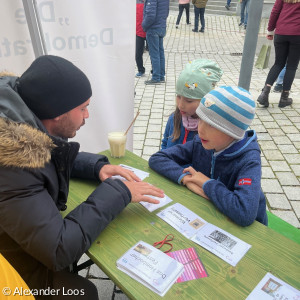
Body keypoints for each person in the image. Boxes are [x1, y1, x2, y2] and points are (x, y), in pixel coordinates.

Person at [0, 55, 164, 298]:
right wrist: (121, 191)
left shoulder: (21, 120)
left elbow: (44, 153)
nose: (86, 115)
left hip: (21, 246)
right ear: (56, 113)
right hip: (14, 273)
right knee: (83, 292)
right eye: (83, 108)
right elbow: (59, 249)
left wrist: (96, 167)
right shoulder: (12, 167)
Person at [149, 86, 268, 227]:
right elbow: (157, 159)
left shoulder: (248, 160)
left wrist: (206, 183)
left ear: (233, 131)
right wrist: (187, 179)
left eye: (211, 125)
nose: (200, 129)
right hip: (209, 213)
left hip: (248, 232)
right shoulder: (200, 142)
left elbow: (245, 213)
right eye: (200, 119)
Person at [161, 59, 223, 149]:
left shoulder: (212, 128)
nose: (180, 105)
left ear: (205, 100)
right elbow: (165, 143)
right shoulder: (174, 118)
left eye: (189, 100)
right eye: (178, 96)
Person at [257, 0, 300, 108]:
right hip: (297, 34)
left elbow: (275, 11)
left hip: (281, 32)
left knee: (278, 63)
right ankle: (284, 98)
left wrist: (270, 30)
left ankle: (264, 93)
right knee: (291, 66)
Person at [142, 0, 170, 85]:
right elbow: (167, 11)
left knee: (154, 54)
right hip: (161, 27)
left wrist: (144, 25)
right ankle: (161, 76)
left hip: (153, 28)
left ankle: (156, 77)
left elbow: (150, 14)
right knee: (160, 53)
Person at [136, 0, 147, 78]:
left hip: (149, 31)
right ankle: (140, 70)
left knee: (153, 53)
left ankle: (154, 70)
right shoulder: (135, 2)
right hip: (138, 32)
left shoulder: (150, 2)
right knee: (137, 54)